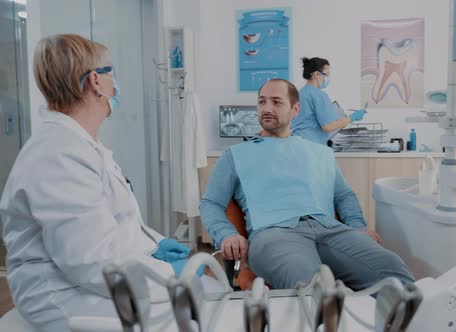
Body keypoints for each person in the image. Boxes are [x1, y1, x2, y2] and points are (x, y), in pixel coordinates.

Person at [0, 34, 217, 331]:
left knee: (208, 296)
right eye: (110, 72)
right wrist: (168, 274)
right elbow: (92, 261)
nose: (115, 82)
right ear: (95, 82)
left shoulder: (80, 145)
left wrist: (154, 244)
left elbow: (113, 225)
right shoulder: (58, 155)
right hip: (62, 294)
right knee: (194, 312)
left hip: (87, 279)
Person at [200, 78, 414, 290]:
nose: (266, 108)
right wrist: (227, 234)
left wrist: (358, 226)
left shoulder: (321, 153)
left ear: (295, 109)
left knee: (394, 272)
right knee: (312, 286)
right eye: (262, 101)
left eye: (276, 102)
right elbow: (211, 203)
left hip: (331, 230)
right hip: (274, 234)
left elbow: (343, 196)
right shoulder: (235, 155)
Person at [291, 57, 367, 145]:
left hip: (297, 143)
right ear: (316, 75)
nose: (328, 78)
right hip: (312, 146)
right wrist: (352, 117)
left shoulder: (300, 93)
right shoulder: (319, 95)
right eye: (326, 74)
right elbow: (328, 126)